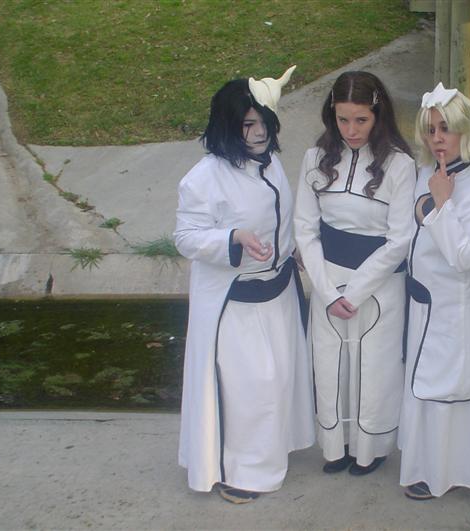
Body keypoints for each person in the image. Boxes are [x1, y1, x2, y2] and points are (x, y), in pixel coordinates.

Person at [174, 66, 315, 505]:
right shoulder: (203, 179)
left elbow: (278, 217)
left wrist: (292, 249)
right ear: (228, 125)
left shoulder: (270, 164)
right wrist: (232, 238)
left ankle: (273, 449)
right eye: (248, 124)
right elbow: (185, 237)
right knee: (253, 386)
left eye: (264, 123)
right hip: (235, 302)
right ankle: (243, 470)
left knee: (282, 377)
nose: (259, 133)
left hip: (279, 293)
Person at [294, 71, 416, 476]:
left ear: (378, 115)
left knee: (374, 368)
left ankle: (371, 448)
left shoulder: (399, 165)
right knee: (331, 365)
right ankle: (338, 445)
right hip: (327, 281)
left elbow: (400, 239)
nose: (351, 130)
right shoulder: (315, 159)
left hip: (378, 286)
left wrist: (356, 291)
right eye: (343, 119)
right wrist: (328, 292)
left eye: (361, 120)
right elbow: (305, 229)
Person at [398, 83, 470, 500]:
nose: (438, 138)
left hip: (453, 311)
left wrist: (440, 204)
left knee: (450, 392)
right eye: (431, 130)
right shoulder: (427, 173)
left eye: (446, 128)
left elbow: (465, 256)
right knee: (425, 388)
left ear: (466, 130)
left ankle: (446, 472)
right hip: (422, 304)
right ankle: (423, 462)